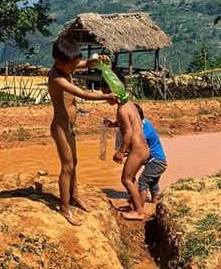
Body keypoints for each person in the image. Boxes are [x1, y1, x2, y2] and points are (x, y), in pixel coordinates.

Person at [48, 37, 119, 226]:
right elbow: (82, 93)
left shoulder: (67, 65)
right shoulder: (57, 78)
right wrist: (105, 96)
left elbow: (87, 63)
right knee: (67, 166)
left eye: (74, 66)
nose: (73, 69)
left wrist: (97, 61)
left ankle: (75, 196)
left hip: (69, 127)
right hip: (60, 128)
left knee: (75, 162)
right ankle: (64, 208)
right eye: (71, 67)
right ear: (58, 62)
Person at [105, 86, 168, 221]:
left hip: (138, 150)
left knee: (126, 179)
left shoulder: (122, 109)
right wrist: (115, 124)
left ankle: (139, 211)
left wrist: (121, 151)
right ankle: (135, 207)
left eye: (105, 94)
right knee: (132, 179)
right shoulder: (130, 105)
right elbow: (133, 123)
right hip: (143, 150)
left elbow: (128, 133)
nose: (105, 98)